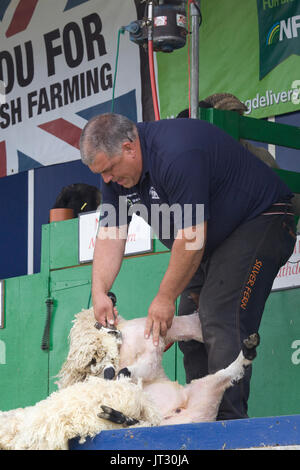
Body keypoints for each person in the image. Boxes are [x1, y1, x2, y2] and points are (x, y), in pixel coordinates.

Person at [80, 112, 296, 420]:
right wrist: (99, 291)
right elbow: (111, 234)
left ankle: (226, 427)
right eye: (100, 173)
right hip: (209, 242)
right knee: (187, 331)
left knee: (220, 317)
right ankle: (197, 417)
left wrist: (165, 296)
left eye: (110, 169)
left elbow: (191, 238)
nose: (107, 180)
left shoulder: (177, 152)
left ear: (129, 147)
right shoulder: (116, 177)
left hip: (261, 220)